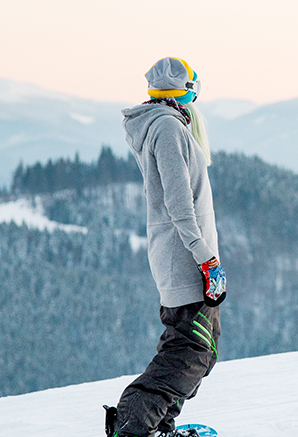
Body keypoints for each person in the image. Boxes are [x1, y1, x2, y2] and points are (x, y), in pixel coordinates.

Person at [105, 57, 227, 437]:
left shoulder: (164, 125)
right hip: (185, 259)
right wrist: (205, 258)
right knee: (191, 352)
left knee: (197, 350)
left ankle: (156, 424)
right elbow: (179, 202)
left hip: (182, 257)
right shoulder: (168, 128)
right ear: (185, 88)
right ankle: (134, 423)